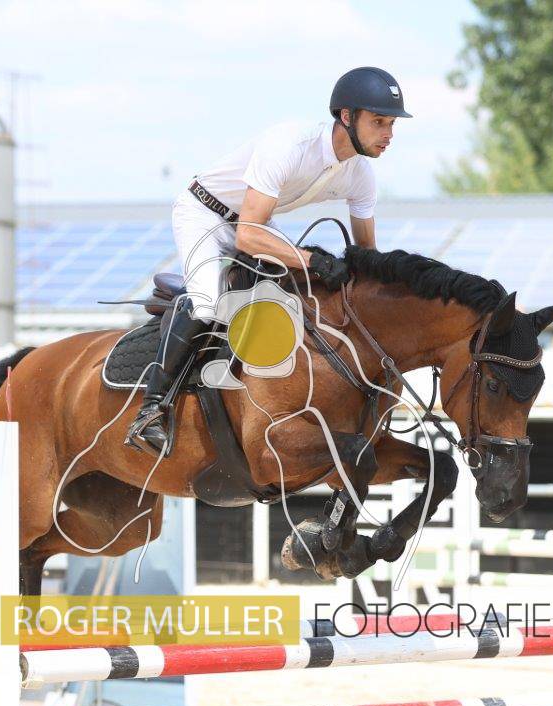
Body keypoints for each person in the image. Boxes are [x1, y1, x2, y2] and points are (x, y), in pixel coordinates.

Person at [125, 67, 411, 453]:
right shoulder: (290, 144)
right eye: (379, 122)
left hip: (254, 222)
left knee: (299, 296)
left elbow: (368, 257)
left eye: (391, 124)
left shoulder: (360, 175)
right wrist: (312, 260)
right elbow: (247, 236)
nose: (388, 134)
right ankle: (151, 410)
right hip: (205, 213)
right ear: (347, 117)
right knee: (208, 302)